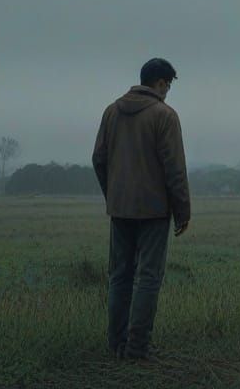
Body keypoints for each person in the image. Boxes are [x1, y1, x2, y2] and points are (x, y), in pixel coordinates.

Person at [91, 57, 191, 360]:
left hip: (120, 208)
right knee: (148, 277)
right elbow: (174, 169)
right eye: (168, 86)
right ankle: (137, 349)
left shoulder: (112, 111)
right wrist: (183, 211)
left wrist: (113, 194)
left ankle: (116, 344)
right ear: (160, 83)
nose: (168, 91)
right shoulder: (165, 115)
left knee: (119, 276)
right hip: (154, 211)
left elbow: (98, 159)